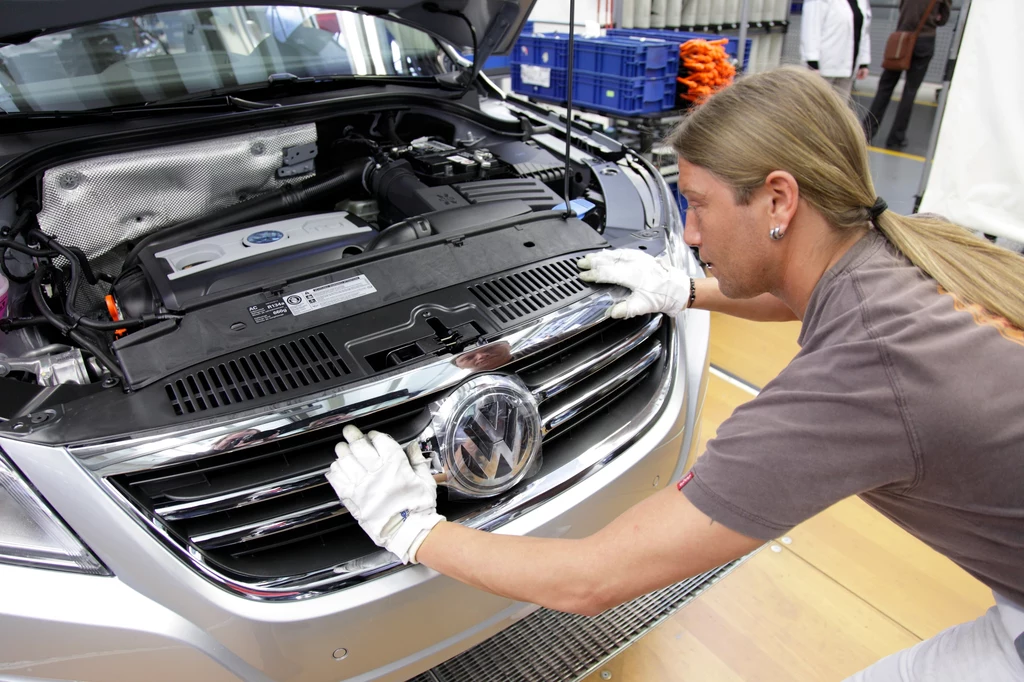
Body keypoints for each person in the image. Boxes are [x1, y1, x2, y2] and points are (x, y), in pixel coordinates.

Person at [325, 67, 1024, 680]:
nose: (689, 234)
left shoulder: (855, 383)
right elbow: (806, 294)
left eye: (699, 202)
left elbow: (592, 580)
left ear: (779, 201)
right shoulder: (904, 250)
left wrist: (412, 529)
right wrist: (683, 290)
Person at [863, 0, 952, 151]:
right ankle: (896, 137)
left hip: (901, 38)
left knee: (885, 87)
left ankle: (867, 131)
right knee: (910, 91)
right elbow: (943, 18)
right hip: (925, 40)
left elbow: (901, 7)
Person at [800, 0, 873, 99]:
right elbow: (811, 29)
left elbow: (864, 32)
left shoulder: (861, 2)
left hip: (849, 67)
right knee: (815, 106)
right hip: (823, 67)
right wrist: (812, 62)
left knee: (841, 109)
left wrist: (863, 62)